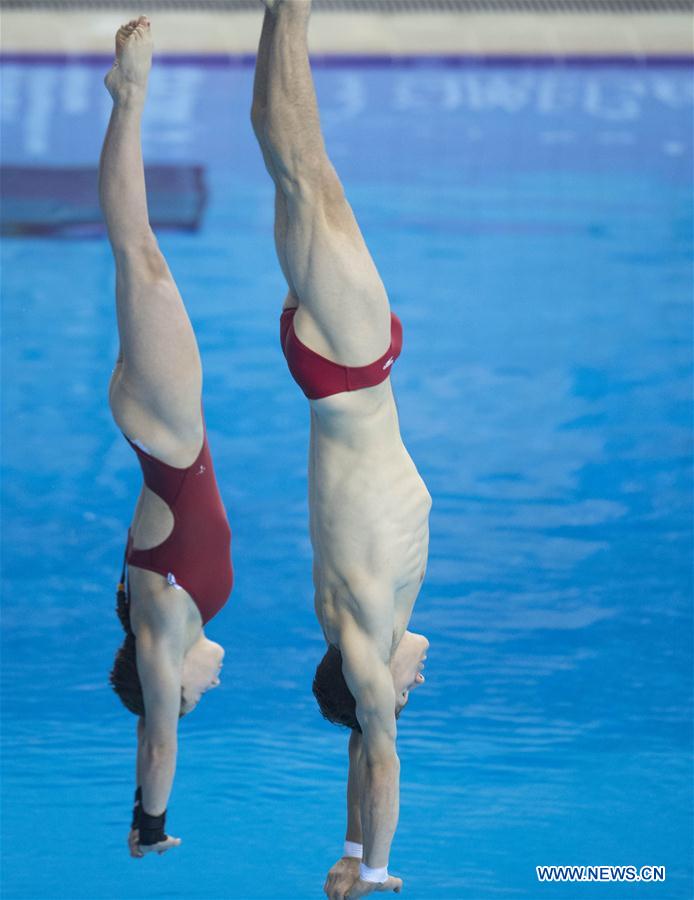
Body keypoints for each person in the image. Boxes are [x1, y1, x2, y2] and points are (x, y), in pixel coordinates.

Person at [251, 3, 431, 897]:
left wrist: (379, 870)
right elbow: (363, 751)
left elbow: (380, 753)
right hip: (337, 374)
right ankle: (286, 10)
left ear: (373, 690)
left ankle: (294, 7)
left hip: (355, 367)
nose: (420, 679)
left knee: (301, 165)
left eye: (405, 694)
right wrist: (350, 848)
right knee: (291, 167)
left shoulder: (366, 639)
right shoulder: (355, 628)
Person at [99, 17, 232, 859]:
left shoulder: (160, 632)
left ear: (169, 690)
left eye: (191, 698)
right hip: (165, 432)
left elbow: (156, 740)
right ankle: (130, 99)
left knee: (138, 250)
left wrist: (149, 824)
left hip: (169, 432)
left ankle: (129, 97)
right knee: (138, 257)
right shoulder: (158, 609)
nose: (205, 690)